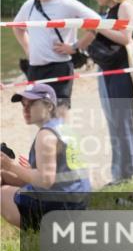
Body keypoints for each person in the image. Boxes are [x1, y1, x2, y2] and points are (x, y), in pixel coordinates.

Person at [1, 84, 90, 230]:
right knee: (4, 175)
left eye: (31, 104)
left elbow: (46, 180)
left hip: (60, 209)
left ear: (49, 106)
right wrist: (29, 169)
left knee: (2, 191)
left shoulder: (46, 135)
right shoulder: (63, 128)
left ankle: (41, 228)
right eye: (23, 105)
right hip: (78, 201)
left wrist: (11, 166)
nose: (25, 109)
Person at [12, 0, 100, 107]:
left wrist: (75, 46)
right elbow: (17, 27)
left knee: (59, 111)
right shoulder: (28, 6)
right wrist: (27, 48)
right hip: (35, 68)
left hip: (60, 67)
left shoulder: (67, 3)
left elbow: (97, 22)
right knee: (38, 113)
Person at [86, 0, 133, 184]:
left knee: (122, 122)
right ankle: (118, 172)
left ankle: (126, 173)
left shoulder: (125, 7)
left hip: (121, 70)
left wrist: (99, 25)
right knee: (114, 123)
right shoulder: (110, 11)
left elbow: (125, 38)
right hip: (108, 70)